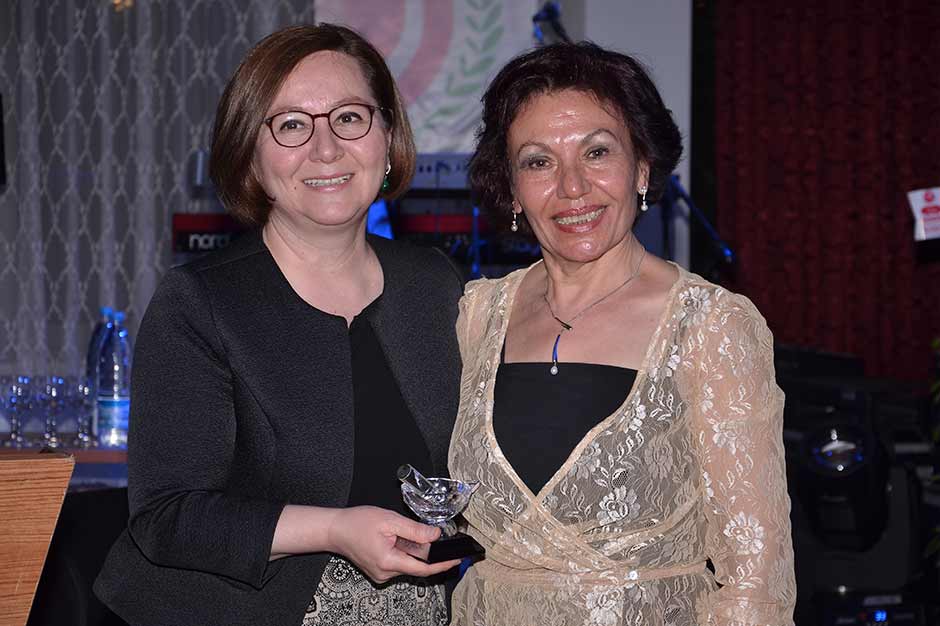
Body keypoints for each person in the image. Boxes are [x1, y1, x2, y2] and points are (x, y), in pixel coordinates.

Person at [94, 24, 463, 626]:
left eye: (350, 117)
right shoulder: (200, 302)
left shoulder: (434, 284)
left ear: (388, 137)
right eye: (292, 125)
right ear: (250, 156)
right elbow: (165, 517)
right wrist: (333, 529)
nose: (326, 149)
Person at [448, 42, 796, 625]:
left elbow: (754, 577)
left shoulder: (710, 325)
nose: (572, 187)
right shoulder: (479, 314)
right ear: (510, 189)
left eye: (597, 152)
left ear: (642, 168)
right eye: (538, 162)